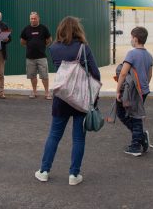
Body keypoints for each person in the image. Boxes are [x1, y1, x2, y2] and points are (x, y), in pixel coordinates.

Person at [35, 16, 100, 186]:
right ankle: (74, 175)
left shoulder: (54, 48)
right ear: (78, 29)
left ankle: (43, 171)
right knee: (78, 138)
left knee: (54, 135)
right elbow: (95, 73)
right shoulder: (83, 48)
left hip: (62, 97)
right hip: (80, 98)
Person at [116, 26, 153, 157]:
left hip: (132, 90)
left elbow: (123, 73)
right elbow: (149, 74)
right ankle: (140, 137)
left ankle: (136, 145)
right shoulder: (149, 55)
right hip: (143, 90)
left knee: (129, 115)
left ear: (135, 39)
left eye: (131, 37)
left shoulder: (132, 54)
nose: (131, 40)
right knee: (133, 114)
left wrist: (118, 90)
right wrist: (144, 87)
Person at [20, 12, 52, 99]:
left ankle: (47, 93)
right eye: (31, 18)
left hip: (42, 57)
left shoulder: (43, 28)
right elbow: (22, 41)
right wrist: (30, 45)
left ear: (38, 19)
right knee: (32, 76)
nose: (33, 20)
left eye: (35, 18)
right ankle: (34, 92)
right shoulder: (26, 29)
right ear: (30, 19)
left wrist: (42, 45)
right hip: (30, 57)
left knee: (44, 76)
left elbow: (49, 39)